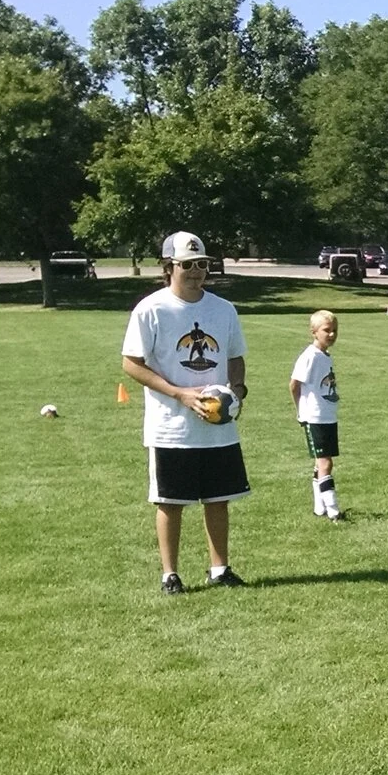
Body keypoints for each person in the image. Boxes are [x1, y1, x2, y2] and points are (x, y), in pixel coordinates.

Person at [122, 230, 249, 593]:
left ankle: (220, 569)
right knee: (170, 502)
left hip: (217, 427)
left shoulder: (223, 309)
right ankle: (170, 575)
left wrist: (237, 390)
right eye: (187, 265)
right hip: (171, 427)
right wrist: (179, 394)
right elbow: (131, 363)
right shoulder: (151, 309)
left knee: (218, 499)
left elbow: (235, 356)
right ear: (169, 267)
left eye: (202, 264)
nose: (196, 272)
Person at [290, 309, 345, 521]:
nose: (331, 334)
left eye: (334, 330)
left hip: (327, 415)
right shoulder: (310, 356)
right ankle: (333, 509)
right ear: (314, 332)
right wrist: (301, 410)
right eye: (326, 330)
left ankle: (319, 507)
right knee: (325, 462)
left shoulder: (324, 356)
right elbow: (294, 384)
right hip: (315, 416)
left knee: (320, 463)